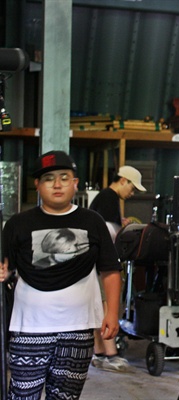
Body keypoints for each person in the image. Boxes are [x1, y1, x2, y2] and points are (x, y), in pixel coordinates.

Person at [0, 150, 122, 399]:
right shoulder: (18, 224)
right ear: (37, 185)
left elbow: (109, 270)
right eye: (48, 178)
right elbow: (5, 267)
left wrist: (112, 313)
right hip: (29, 329)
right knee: (22, 395)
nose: (57, 184)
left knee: (66, 397)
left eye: (64, 177)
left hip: (78, 330)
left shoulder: (93, 222)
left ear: (74, 183)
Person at [88, 165, 146, 372]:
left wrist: (120, 222)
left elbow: (104, 223)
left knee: (99, 305)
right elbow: (107, 231)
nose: (131, 193)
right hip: (101, 263)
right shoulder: (109, 197)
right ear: (123, 180)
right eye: (131, 188)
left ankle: (99, 353)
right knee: (106, 306)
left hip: (94, 261)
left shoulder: (106, 198)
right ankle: (111, 355)